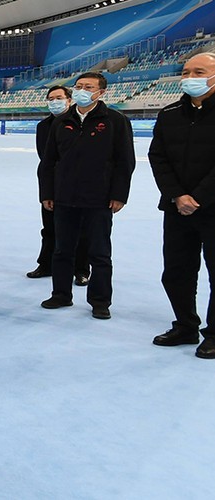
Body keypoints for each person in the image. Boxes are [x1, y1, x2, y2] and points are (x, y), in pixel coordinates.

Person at [38, 72, 135, 320]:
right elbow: (48, 162)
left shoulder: (115, 120)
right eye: (79, 86)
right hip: (64, 197)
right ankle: (61, 294)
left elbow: (125, 162)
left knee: (99, 253)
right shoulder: (61, 123)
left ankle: (100, 301)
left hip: (99, 198)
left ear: (101, 92)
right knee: (62, 250)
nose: (82, 90)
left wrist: (119, 195)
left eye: (88, 87)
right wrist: (47, 193)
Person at [149, 52, 215, 359]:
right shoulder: (170, 113)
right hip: (177, 208)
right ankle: (185, 325)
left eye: (198, 71)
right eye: (186, 72)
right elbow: (158, 157)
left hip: (212, 207)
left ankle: (214, 334)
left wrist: (198, 197)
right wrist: (177, 195)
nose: (189, 78)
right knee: (176, 272)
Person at [28, 86, 91, 285]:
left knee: (79, 229)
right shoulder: (43, 126)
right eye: (51, 98)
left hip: (78, 184)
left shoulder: (80, 122)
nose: (55, 101)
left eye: (59, 97)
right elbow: (45, 157)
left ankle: (81, 269)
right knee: (49, 228)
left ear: (69, 100)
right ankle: (46, 264)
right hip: (51, 183)